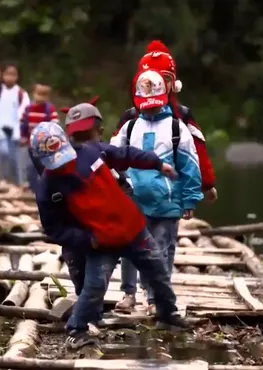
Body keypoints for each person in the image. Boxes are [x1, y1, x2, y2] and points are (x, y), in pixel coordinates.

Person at [30, 121, 190, 350]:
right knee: (94, 286)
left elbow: (125, 154)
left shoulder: (92, 152)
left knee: (157, 271)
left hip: (133, 229)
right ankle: (77, 330)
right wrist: (87, 240)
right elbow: (54, 229)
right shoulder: (47, 189)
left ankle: (168, 313)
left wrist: (156, 163)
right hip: (101, 241)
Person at [110, 69, 204, 314]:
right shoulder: (130, 127)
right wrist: (116, 184)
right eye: (145, 105)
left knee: (162, 250)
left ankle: (154, 298)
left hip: (167, 201)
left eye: (154, 105)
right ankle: (128, 293)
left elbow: (189, 164)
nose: (149, 110)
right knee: (130, 248)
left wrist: (190, 199)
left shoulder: (176, 127)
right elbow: (111, 156)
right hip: (134, 200)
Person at [115, 40, 218, 202]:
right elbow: (114, 154)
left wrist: (206, 184)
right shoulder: (130, 119)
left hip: (172, 193)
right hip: (135, 191)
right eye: (151, 82)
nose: (159, 84)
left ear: (174, 83)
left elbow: (197, 151)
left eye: (165, 79)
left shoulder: (182, 116)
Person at [0, 63, 30, 185]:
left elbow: (23, 112)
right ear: (3, 75)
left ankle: (17, 183)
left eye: (13, 75)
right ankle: (3, 181)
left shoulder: (21, 94)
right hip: (1, 129)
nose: (10, 77)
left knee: (15, 158)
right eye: (7, 74)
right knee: (2, 153)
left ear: (17, 77)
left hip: (15, 130)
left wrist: (20, 131)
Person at [20, 83, 58, 192]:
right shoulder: (28, 109)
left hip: (44, 145)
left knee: (42, 167)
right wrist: (23, 136)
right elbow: (23, 124)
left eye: (44, 95)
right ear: (33, 94)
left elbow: (54, 124)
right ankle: (33, 188)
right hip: (31, 143)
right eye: (38, 94)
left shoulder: (49, 110)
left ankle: (43, 188)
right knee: (30, 167)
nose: (40, 97)